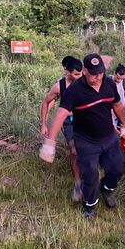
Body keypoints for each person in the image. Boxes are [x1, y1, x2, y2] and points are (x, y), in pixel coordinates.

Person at [39, 53, 125, 220]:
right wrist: (49, 142)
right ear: (85, 71)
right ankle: (89, 206)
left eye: (101, 72)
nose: (98, 77)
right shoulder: (74, 90)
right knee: (90, 176)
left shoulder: (109, 83)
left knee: (117, 168)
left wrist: (123, 126)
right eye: (94, 73)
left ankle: (107, 190)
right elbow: (60, 115)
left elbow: (117, 104)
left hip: (109, 137)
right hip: (86, 141)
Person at [40, 57, 84, 201]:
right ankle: (78, 184)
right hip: (69, 122)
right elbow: (46, 102)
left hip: (86, 120)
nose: (79, 77)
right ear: (67, 72)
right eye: (76, 74)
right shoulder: (59, 86)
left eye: (81, 73)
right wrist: (44, 124)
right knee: (74, 150)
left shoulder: (86, 81)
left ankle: (89, 179)